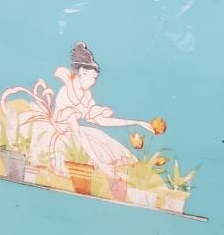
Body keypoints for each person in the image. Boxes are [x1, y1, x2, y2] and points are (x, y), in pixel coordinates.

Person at [35, 42, 154, 178]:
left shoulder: (86, 95)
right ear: (82, 72)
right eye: (93, 77)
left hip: (74, 133)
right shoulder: (66, 93)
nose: (94, 82)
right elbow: (78, 133)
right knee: (86, 156)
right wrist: (101, 164)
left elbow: (102, 121)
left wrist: (136, 122)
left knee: (102, 139)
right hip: (61, 136)